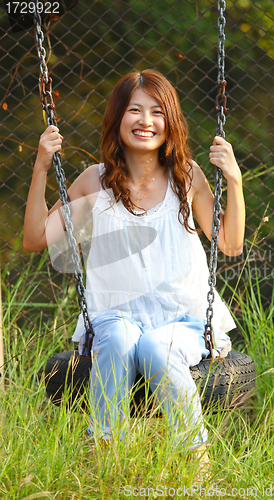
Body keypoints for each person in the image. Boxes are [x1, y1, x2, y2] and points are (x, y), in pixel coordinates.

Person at [23, 70, 245, 469]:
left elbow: (229, 243)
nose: (146, 121)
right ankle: (105, 453)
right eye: (135, 110)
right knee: (123, 337)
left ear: (170, 121)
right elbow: (37, 237)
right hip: (115, 316)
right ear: (117, 118)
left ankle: (195, 457)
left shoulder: (187, 176)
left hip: (183, 318)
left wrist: (234, 179)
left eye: (157, 112)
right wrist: (41, 168)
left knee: (156, 348)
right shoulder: (96, 180)